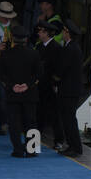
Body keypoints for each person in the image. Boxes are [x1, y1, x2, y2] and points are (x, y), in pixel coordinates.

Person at [0, 24, 43, 157]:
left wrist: (12, 86)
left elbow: (0, 74)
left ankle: (17, 150)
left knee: (14, 123)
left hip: (12, 94)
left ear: (13, 38)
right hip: (30, 93)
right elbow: (39, 74)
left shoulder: (5, 54)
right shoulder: (34, 53)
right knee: (31, 121)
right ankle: (32, 150)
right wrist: (27, 85)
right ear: (26, 39)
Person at [54, 20, 85, 155]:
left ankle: (74, 147)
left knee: (69, 119)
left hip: (68, 90)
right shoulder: (73, 47)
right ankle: (74, 146)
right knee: (69, 118)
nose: (62, 33)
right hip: (71, 89)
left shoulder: (70, 48)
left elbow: (62, 69)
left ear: (67, 33)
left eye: (64, 31)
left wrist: (55, 80)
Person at [34, 21, 64, 149]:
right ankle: (35, 140)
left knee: (54, 115)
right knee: (37, 114)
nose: (39, 33)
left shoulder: (56, 48)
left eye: (41, 31)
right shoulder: (39, 47)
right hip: (40, 85)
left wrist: (55, 83)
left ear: (46, 33)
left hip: (51, 86)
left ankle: (59, 140)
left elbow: (58, 68)